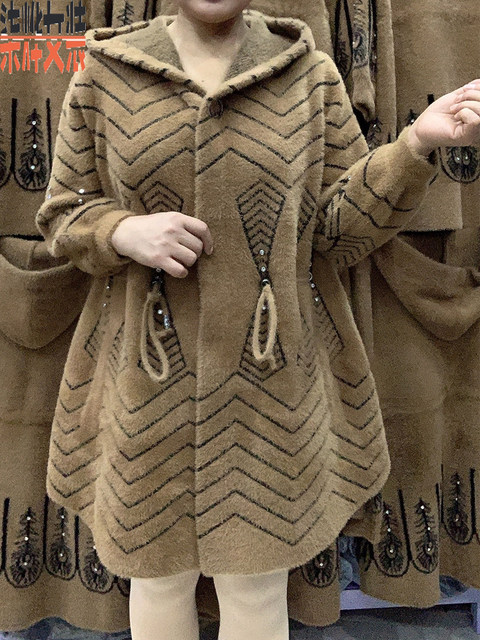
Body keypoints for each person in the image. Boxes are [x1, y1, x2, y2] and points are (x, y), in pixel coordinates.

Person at [35, 1, 480, 639]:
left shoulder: (307, 74)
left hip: (270, 386)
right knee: (158, 577)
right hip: (144, 380)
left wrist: (414, 147)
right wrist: (121, 231)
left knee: (256, 583)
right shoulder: (105, 74)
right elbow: (62, 213)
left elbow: (337, 229)